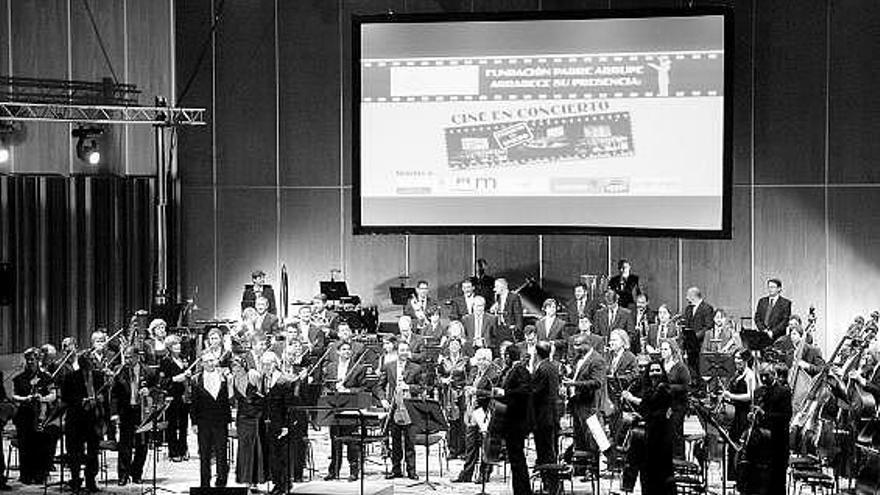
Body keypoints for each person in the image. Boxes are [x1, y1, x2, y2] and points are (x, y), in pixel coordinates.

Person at [621, 361, 675, 495]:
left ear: (662, 372)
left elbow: (652, 404)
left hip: (660, 438)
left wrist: (632, 398)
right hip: (651, 436)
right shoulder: (650, 387)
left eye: (657, 370)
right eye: (652, 371)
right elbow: (650, 409)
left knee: (658, 473)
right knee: (646, 472)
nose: (654, 373)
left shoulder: (664, 387)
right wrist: (640, 415)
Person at [110, 346, 158, 485]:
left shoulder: (148, 371)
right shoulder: (119, 371)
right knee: (125, 444)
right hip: (126, 411)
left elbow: (157, 389)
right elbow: (114, 394)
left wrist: (148, 390)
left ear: (137, 356)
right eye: (126, 357)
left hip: (142, 411)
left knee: (142, 444)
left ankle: (137, 473)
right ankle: (123, 474)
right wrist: (114, 413)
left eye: (130, 357)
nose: (128, 360)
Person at [376, 341, 422, 480]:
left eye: (406, 350)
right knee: (395, 441)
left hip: (409, 408)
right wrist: (383, 399)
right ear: (397, 351)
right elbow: (379, 386)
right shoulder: (389, 366)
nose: (404, 352)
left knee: (410, 441)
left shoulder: (416, 368)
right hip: (393, 407)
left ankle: (411, 470)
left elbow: (421, 387)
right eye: (401, 350)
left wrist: (408, 387)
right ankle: (396, 470)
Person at [323, 341, 368, 481]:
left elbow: (363, 389)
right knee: (335, 439)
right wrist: (332, 389)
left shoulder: (358, 368)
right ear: (337, 352)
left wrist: (348, 390)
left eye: (348, 349)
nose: (346, 352)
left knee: (351, 441)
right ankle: (334, 470)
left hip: (350, 407)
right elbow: (325, 386)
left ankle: (354, 470)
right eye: (343, 349)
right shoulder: (330, 367)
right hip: (335, 408)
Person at [60, 352, 104, 493]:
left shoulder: (98, 376)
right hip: (76, 419)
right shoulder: (71, 377)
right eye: (90, 360)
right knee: (75, 453)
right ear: (82, 362)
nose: (92, 362)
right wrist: (81, 401)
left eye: (92, 359)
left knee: (93, 452)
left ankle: (91, 481)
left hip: (93, 419)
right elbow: (66, 398)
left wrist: (101, 399)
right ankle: (75, 481)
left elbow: (104, 396)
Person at [453, 348, 498, 484]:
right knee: (470, 443)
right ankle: (467, 473)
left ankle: (484, 474)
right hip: (472, 411)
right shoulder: (474, 371)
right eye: (478, 359)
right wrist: (467, 389)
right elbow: (468, 384)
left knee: (485, 444)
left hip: (485, 412)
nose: (479, 362)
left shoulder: (493, 375)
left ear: (488, 360)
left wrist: (476, 391)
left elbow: (494, 393)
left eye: (482, 359)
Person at [11, 348, 56, 485]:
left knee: (41, 444)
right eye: (28, 359)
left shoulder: (46, 377)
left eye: (33, 359)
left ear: (38, 360)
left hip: (41, 416)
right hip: (24, 415)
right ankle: (26, 474)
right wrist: (26, 399)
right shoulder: (19, 378)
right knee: (25, 445)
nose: (30, 362)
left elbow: (53, 395)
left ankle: (41, 473)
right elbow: (14, 396)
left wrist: (42, 398)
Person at [262, 351, 304, 493]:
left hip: (283, 423)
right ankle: (277, 483)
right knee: (273, 455)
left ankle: (285, 484)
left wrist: (286, 425)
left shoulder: (285, 380)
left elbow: (289, 406)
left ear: (275, 364)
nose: (266, 366)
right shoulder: (264, 379)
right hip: (270, 423)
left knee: (283, 456)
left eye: (269, 364)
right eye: (264, 364)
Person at [564, 335, 606, 476]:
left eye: (578, 345)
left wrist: (574, 384)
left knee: (591, 438)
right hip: (577, 402)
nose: (575, 348)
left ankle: (593, 470)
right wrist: (569, 379)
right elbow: (578, 377)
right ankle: (580, 468)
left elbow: (597, 382)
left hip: (590, 404)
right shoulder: (579, 359)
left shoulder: (597, 359)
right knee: (579, 436)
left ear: (587, 344)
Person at [190, 351, 231, 488]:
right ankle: (204, 484)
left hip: (220, 421)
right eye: (207, 361)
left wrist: (228, 421)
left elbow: (226, 401)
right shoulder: (196, 379)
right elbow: (193, 403)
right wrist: (194, 422)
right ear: (202, 363)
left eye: (212, 360)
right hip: (203, 422)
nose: (210, 363)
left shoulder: (223, 377)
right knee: (205, 454)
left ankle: (221, 482)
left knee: (221, 453)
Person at [750, 364, 792, 495]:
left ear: (773, 374)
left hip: (777, 440)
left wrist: (764, 414)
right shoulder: (758, 392)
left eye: (766, 375)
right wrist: (752, 416)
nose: (763, 379)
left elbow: (786, 416)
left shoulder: (783, 392)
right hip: (761, 442)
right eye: (761, 375)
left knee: (777, 480)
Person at [496, 345, 532, 495]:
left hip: (517, 421)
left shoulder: (520, 370)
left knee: (517, 458)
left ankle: (523, 491)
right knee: (515, 458)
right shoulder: (511, 370)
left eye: (505, 356)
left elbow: (524, 391)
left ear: (508, 357)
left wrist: (504, 392)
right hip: (511, 420)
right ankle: (519, 490)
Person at [229, 356, 265, 486]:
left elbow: (263, 394)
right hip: (242, 417)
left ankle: (255, 479)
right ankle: (245, 479)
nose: (237, 371)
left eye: (239, 368)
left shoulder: (253, 375)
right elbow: (231, 399)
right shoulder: (233, 379)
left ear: (244, 366)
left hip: (256, 416)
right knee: (244, 447)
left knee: (255, 446)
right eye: (234, 369)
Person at [721, 349, 757, 477]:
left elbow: (750, 396)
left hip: (744, 413)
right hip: (735, 412)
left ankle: (739, 475)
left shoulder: (750, 375)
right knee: (731, 442)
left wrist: (732, 395)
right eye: (735, 358)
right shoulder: (737, 373)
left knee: (739, 444)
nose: (737, 361)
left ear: (746, 360)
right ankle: (731, 474)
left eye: (739, 358)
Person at [531, 341, 560, 495]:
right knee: (549, 450)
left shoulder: (541, 368)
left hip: (543, 417)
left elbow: (535, 392)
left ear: (537, 353)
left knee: (545, 452)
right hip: (552, 414)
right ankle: (550, 483)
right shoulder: (553, 366)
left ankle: (550, 484)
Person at [437, 337, 469, 459]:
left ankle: (462, 450)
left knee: (462, 422)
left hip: (462, 393)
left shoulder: (465, 361)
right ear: (449, 347)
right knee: (451, 422)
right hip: (449, 394)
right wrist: (444, 380)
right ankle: (453, 449)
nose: (454, 347)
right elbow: (438, 377)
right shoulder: (444, 361)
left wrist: (466, 386)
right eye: (452, 345)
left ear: (460, 347)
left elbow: (470, 376)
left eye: (456, 345)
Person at [160, 335, 191, 462]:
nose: (178, 347)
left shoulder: (183, 359)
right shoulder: (166, 361)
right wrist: (176, 378)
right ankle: (173, 451)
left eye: (178, 344)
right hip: (172, 396)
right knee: (172, 424)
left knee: (184, 424)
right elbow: (162, 382)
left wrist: (188, 375)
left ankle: (183, 449)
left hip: (184, 396)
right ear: (169, 347)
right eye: (174, 345)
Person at [660, 339, 690, 458]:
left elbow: (686, 386)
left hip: (677, 405)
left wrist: (669, 387)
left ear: (672, 350)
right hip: (663, 405)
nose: (663, 352)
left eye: (666, 349)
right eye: (661, 349)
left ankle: (678, 458)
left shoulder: (680, 367)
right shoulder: (660, 364)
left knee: (676, 433)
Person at [683, 287, 714, 377]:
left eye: (688, 296)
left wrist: (696, 336)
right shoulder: (688, 309)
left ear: (693, 296)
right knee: (691, 368)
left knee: (700, 367)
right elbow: (686, 325)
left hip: (701, 344)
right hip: (690, 346)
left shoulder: (707, 308)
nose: (686, 298)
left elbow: (708, 326)